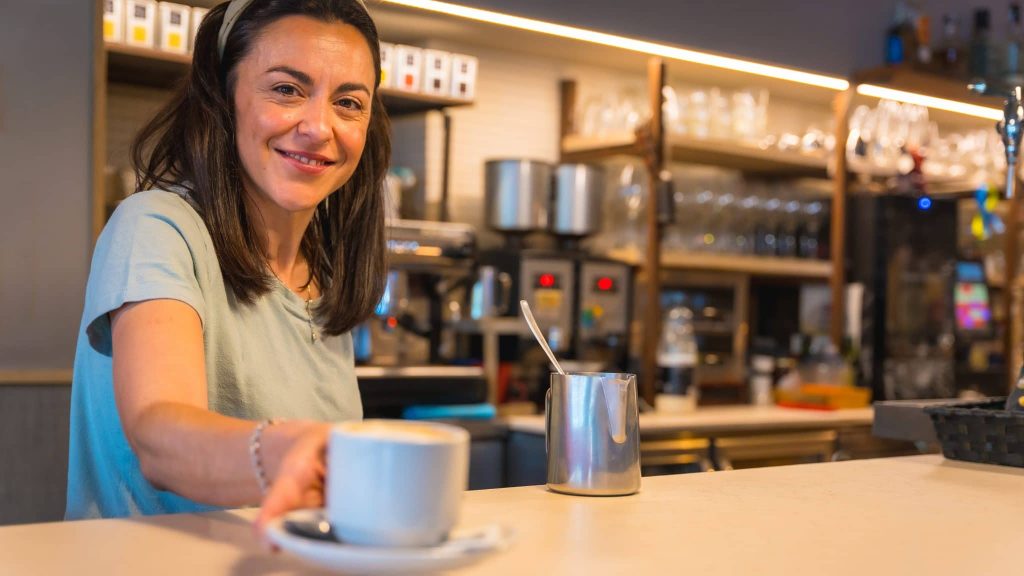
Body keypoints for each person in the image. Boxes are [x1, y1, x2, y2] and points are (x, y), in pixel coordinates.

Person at [65, 0, 389, 520]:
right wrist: (282, 452)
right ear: (222, 98)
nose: (319, 126)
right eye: (287, 89)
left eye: (349, 103)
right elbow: (158, 431)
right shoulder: (155, 227)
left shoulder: (323, 278)